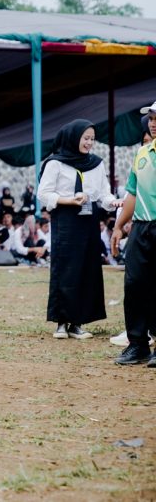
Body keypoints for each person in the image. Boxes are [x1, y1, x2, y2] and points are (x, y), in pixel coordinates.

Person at [38, 119, 120, 340]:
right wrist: (68, 200)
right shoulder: (55, 163)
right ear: (73, 137)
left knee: (87, 267)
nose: (89, 143)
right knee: (66, 267)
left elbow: (103, 193)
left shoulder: (96, 163)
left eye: (92, 139)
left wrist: (114, 202)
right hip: (65, 218)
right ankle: (61, 322)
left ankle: (77, 323)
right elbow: (43, 194)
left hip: (89, 219)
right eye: (85, 138)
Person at [110, 101, 156, 366]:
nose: (153, 123)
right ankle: (137, 344)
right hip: (140, 227)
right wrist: (119, 227)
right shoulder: (142, 153)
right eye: (151, 118)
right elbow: (132, 194)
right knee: (135, 284)